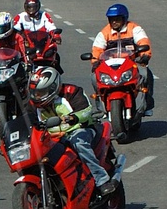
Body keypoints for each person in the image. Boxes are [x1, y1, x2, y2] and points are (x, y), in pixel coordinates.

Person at [27, 66, 117, 199]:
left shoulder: (72, 91)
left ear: (53, 87)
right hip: (51, 137)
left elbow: (86, 110)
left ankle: (102, 180)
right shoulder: (32, 104)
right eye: (35, 93)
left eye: (41, 92)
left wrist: (72, 118)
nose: (37, 96)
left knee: (78, 143)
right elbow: (26, 121)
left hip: (79, 129)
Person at [90, 3, 154, 112]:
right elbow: (97, 48)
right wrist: (95, 61)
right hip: (110, 65)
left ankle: (146, 104)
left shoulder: (134, 28)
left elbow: (143, 41)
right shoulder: (104, 32)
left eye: (117, 19)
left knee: (145, 74)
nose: (114, 22)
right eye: (111, 19)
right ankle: (101, 105)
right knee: (94, 78)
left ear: (124, 18)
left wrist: (145, 56)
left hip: (131, 63)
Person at [14, 0, 61, 67]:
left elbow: (51, 27)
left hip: (43, 45)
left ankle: (54, 73)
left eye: (33, 7)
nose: (31, 9)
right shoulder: (20, 17)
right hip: (27, 46)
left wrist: (56, 36)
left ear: (38, 6)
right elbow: (14, 29)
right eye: (29, 7)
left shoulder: (44, 15)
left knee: (55, 56)